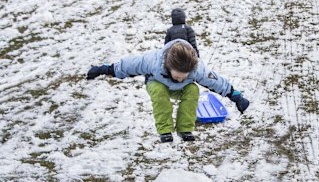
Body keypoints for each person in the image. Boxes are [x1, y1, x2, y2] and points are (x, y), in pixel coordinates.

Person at [86, 40, 250, 143]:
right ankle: (165, 131)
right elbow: (130, 65)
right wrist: (104, 69)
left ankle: (185, 129)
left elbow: (216, 81)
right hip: (157, 83)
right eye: (177, 75)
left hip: (180, 91)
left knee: (193, 90)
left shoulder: (196, 69)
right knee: (159, 92)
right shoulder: (154, 61)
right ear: (168, 66)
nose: (179, 78)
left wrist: (236, 96)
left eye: (183, 76)